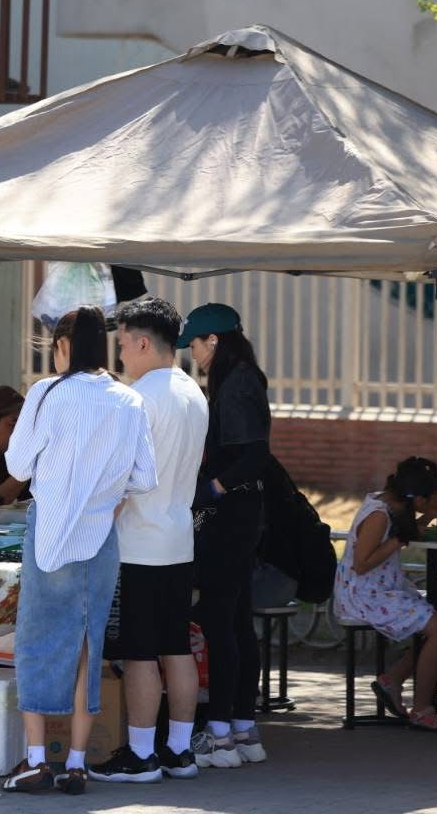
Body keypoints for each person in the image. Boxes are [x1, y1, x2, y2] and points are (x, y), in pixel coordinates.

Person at [0, 306, 158, 796]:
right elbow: (145, 477)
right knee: (88, 644)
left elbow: (18, 466)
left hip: (50, 532)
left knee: (37, 640)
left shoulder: (47, 392)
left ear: (64, 346)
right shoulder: (129, 400)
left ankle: (34, 759)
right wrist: (108, 498)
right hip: (100, 535)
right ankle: (76, 763)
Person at [89, 297, 210, 784]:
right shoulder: (193, 391)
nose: (119, 355)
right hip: (179, 538)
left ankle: (141, 755)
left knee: (140, 652)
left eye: (122, 344)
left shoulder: (138, 398)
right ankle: (179, 750)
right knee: (176, 646)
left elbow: (122, 479)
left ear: (142, 343)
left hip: (139, 544)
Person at [179, 302, 271, 768]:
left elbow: (254, 456)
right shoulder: (245, 378)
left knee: (220, 620)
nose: (192, 354)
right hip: (245, 514)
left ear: (213, 341)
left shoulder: (235, 384)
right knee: (235, 621)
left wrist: (212, 488)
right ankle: (242, 728)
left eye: (195, 344)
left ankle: (219, 733)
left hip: (231, 515)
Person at [334, 457, 437, 731]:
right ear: (419, 498)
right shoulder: (379, 516)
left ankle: (393, 680)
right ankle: (422, 709)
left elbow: (404, 532)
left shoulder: (393, 504)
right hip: (363, 595)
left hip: (379, 588)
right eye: (433, 498)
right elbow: (361, 563)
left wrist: (428, 517)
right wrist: (398, 540)